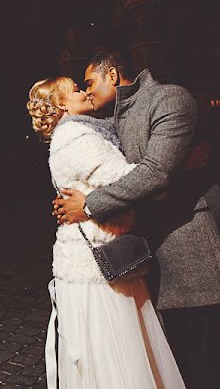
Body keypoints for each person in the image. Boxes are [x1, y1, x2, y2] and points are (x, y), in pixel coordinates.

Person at [54, 52, 220, 389]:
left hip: (186, 244)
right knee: (168, 359)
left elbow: (155, 173)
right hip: (144, 253)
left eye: (90, 82)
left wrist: (90, 205)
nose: (88, 91)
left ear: (111, 75)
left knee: (204, 360)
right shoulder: (111, 118)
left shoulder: (168, 98)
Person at [28, 77, 186, 389]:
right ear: (62, 105)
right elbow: (129, 179)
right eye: (75, 89)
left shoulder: (74, 134)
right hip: (101, 268)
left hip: (92, 262)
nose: (83, 91)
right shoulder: (77, 136)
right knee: (119, 355)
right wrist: (171, 163)